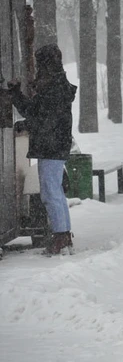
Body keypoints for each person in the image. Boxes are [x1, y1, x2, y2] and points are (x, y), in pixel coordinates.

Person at [8, 44, 77, 256]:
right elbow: (40, 113)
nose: (38, 68)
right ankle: (64, 235)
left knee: (50, 193)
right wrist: (18, 95)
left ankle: (61, 236)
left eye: (40, 64)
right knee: (55, 192)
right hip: (56, 145)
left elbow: (41, 117)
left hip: (51, 146)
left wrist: (26, 122)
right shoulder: (57, 85)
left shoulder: (53, 89)